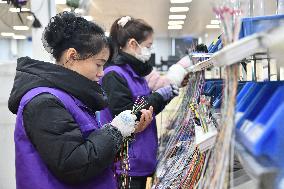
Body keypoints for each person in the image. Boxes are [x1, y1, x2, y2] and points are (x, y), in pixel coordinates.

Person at [8, 12, 153, 189]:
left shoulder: (70, 96)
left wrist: (122, 131)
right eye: (98, 64)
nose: (101, 73)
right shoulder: (44, 102)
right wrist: (116, 131)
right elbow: (75, 164)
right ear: (72, 56)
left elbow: (87, 143)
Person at [100, 16, 180, 189]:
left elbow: (147, 110)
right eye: (148, 46)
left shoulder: (134, 73)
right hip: (126, 164)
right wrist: (159, 96)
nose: (149, 51)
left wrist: (164, 97)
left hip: (141, 157)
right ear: (133, 44)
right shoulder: (113, 75)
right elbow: (127, 115)